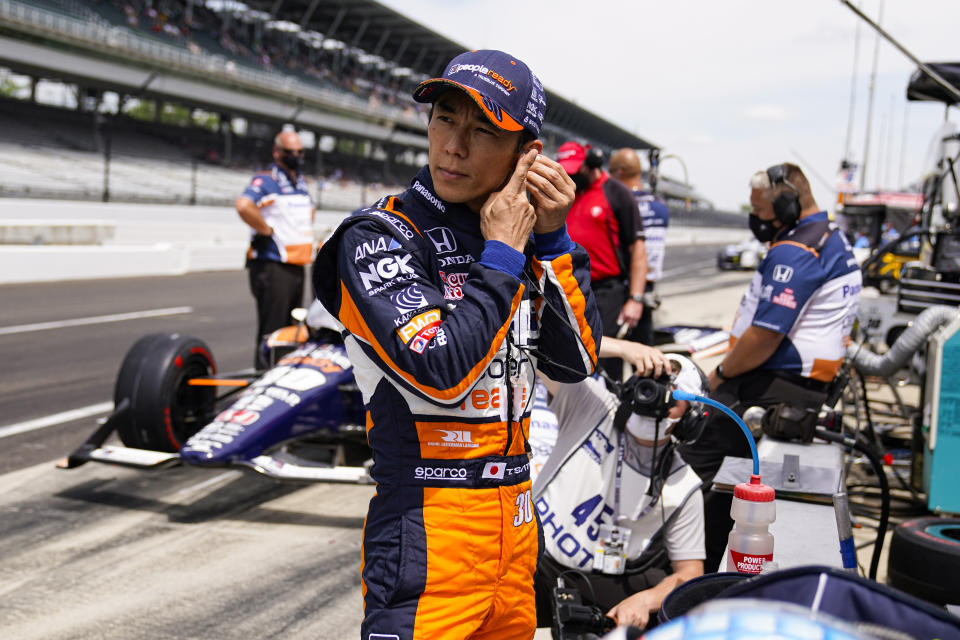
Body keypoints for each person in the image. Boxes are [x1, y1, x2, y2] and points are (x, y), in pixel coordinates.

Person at [312, 49, 602, 639]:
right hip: (427, 523)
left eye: (482, 130)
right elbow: (439, 367)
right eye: (445, 119)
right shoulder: (380, 235)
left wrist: (551, 241)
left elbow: (575, 363)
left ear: (528, 156)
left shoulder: (521, 239)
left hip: (518, 521)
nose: (454, 146)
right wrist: (500, 256)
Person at [679, 163, 862, 571]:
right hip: (801, 387)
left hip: (769, 385)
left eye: (761, 209)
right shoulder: (830, 237)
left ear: (788, 203)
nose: (756, 218)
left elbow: (765, 334)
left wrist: (721, 375)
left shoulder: (796, 250)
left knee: (690, 472)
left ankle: (687, 574)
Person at [533, 354, 708, 630]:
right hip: (535, 558)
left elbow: (690, 574)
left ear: (690, 418)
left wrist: (645, 600)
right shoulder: (593, 405)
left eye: (672, 398)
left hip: (604, 581)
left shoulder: (684, 484)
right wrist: (625, 349)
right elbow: (541, 346)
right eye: (649, 386)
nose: (656, 401)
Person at [558, 141, 648, 380]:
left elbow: (638, 247)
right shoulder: (565, 193)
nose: (572, 176)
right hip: (569, 288)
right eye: (567, 172)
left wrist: (635, 299)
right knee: (569, 357)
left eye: (576, 171)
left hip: (607, 292)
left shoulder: (616, 192)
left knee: (605, 364)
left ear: (592, 164)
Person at [235, 129, 315, 368]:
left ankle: (282, 376)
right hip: (273, 265)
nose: (297, 156)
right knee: (273, 331)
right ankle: (264, 380)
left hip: (296, 265)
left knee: (291, 330)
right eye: (291, 152)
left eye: (300, 152)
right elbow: (243, 205)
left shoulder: (299, 181)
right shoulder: (267, 180)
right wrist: (266, 230)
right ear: (277, 152)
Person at [609, 148, 670, 346]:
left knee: (614, 354)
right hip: (649, 287)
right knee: (644, 354)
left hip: (624, 287)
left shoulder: (620, 204)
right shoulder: (660, 205)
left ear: (618, 174)